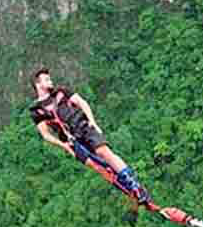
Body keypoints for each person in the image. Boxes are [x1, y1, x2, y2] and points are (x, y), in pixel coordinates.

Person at [28, 67, 151, 204]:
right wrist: (64, 146)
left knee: (103, 152)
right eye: (46, 79)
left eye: (49, 78)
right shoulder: (36, 110)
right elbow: (45, 134)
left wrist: (92, 121)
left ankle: (136, 186)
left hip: (84, 126)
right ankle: (127, 191)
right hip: (72, 140)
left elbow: (82, 103)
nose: (50, 81)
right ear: (38, 84)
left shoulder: (61, 92)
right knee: (98, 167)